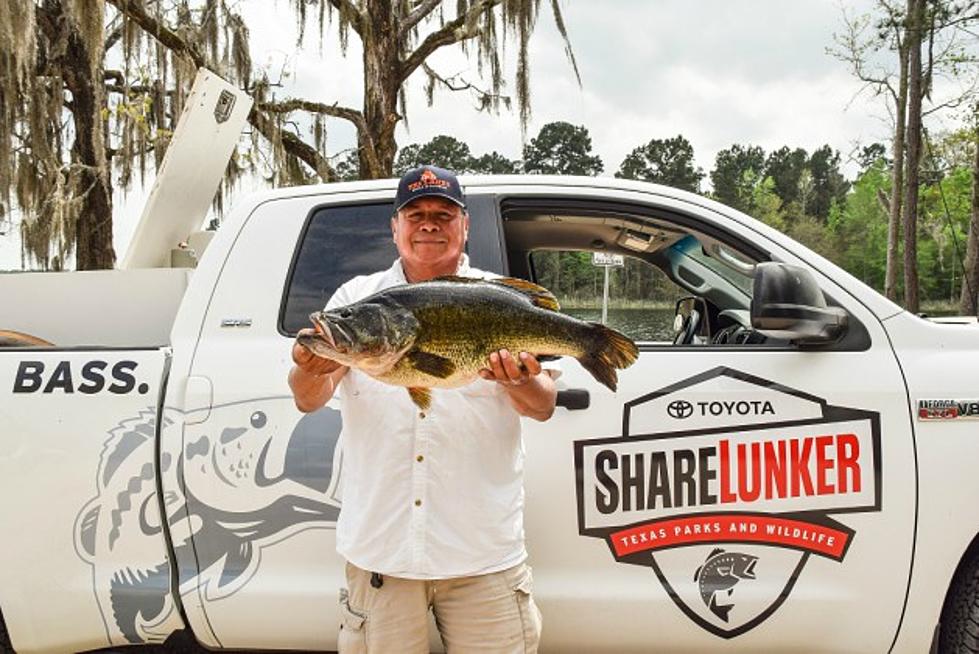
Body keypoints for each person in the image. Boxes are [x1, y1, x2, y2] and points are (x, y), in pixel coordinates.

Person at [288, 165, 558, 653]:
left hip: (483, 554)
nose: (428, 224)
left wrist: (519, 379)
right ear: (396, 227)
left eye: (442, 214)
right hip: (382, 554)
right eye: (415, 214)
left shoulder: (497, 297)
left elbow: (543, 406)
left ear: (464, 226)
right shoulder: (356, 300)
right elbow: (308, 397)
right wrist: (310, 365)